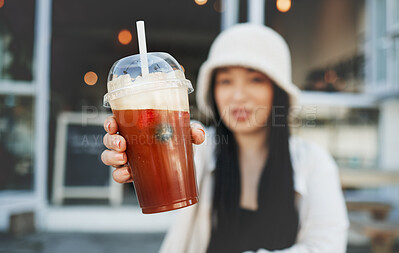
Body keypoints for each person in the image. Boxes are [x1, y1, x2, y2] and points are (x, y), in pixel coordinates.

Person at [101, 23, 349, 253]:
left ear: (278, 91)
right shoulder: (199, 150)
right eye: (226, 80)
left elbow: (326, 246)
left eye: (255, 79)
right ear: (213, 92)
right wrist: (142, 147)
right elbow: (186, 141)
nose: (238, 95)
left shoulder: (314, 162)